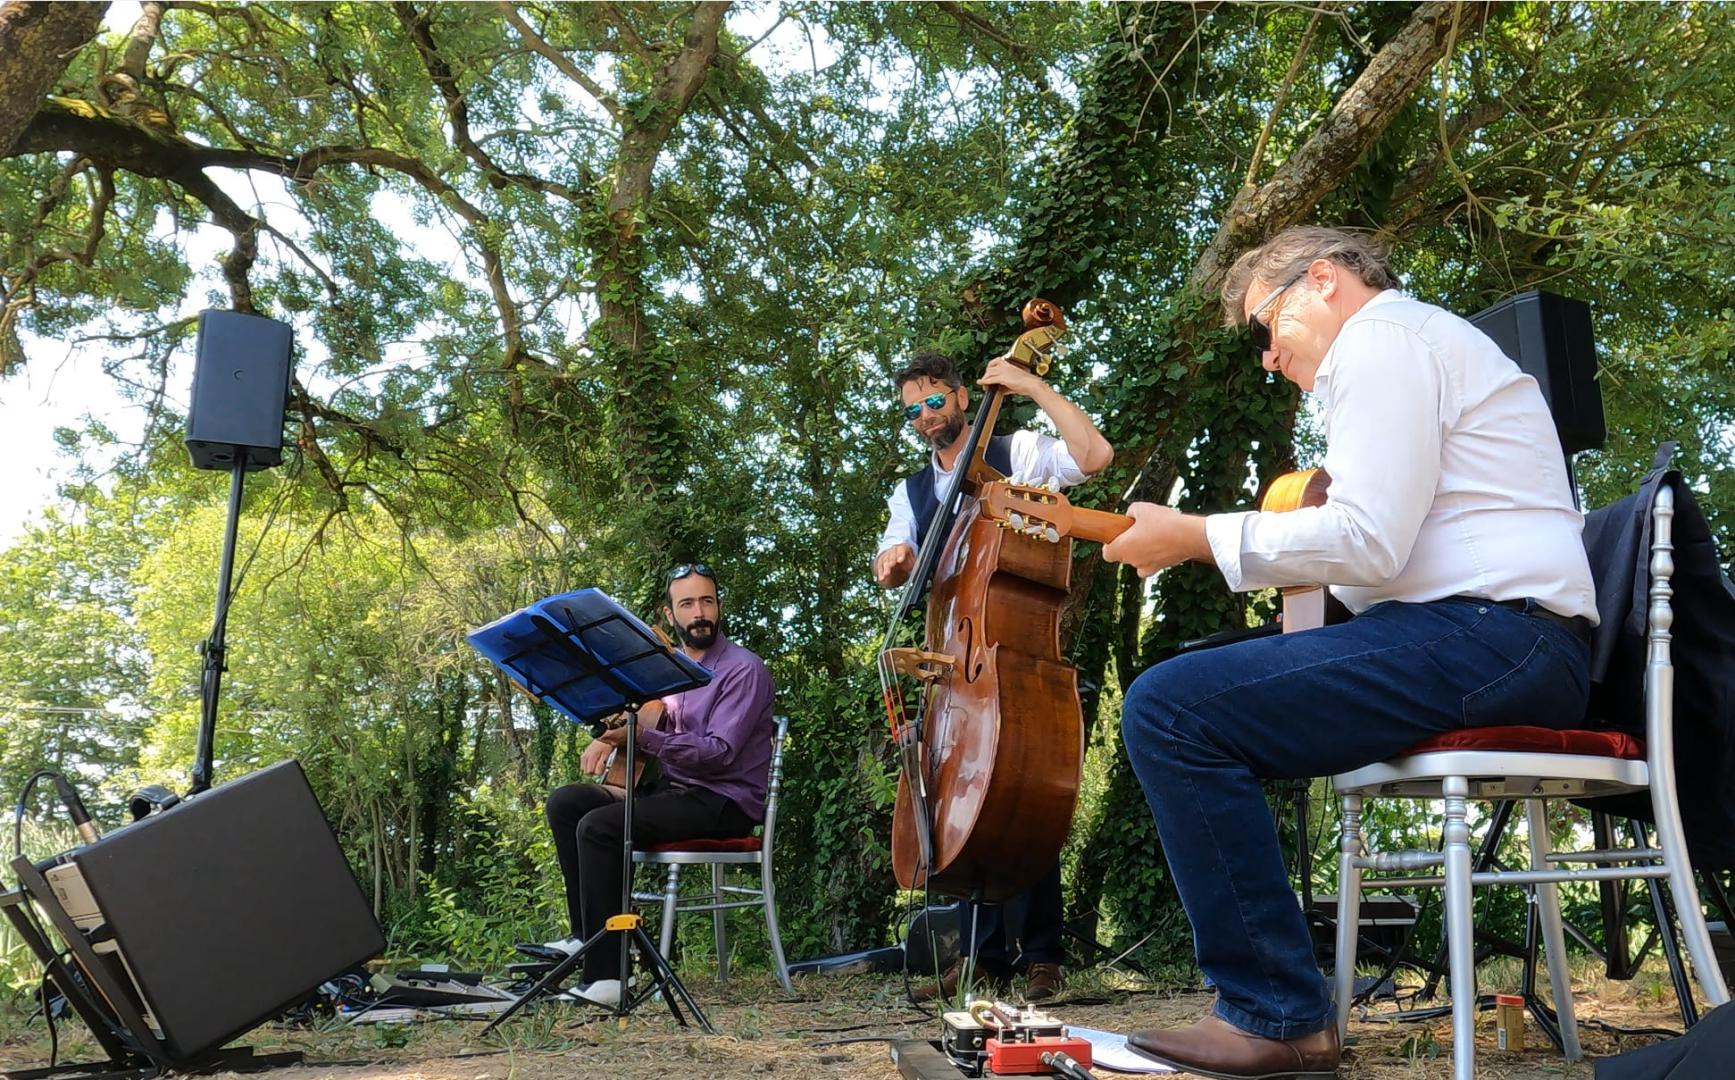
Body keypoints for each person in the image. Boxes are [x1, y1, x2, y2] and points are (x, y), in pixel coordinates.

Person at [1100, 225, 1598, 1078]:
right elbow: (1382, 550)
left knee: (1169, 707)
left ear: (1320, 281)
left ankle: (1276, 1016)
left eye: (1264, 328)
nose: (1265, 356)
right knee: (1186, 689)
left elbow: (1366, 542)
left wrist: (1191, 537)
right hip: (1487, 635)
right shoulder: (1410, 345)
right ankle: (1275, 1007)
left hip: (1496, 634)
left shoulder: (1383, 341)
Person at [875, 349, 1112, 1002]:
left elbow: (1093, 460)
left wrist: (1031, 385)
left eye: (931, 401)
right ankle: (979, 959)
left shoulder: (1018, 453)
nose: (924, 417)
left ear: (957, 395)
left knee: (1022, 797)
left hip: (1014, 657)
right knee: (961, 806)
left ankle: (1042, 957)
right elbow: (893, 556)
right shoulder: (913, 491)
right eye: (911, 410)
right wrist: (893, 562)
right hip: (952, 669)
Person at [543, 563, 775, 1006]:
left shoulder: (744, 670)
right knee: (567, 802)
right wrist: (613, 735)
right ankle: (586, 937)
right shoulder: (669, 671)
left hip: (724, 801)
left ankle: (609, 978)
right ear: (670, 615)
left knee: (600, 826)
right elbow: (647, 723)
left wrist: (638, 736)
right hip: (678, 792)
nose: (699, 612)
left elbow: (718, 753)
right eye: (687, 604)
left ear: (719, 608)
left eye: (707, 601)